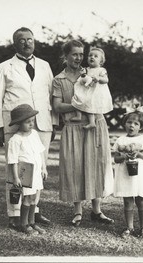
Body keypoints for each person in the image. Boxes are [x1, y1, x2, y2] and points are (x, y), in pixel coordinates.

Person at [0, 27, 58, 229]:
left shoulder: (45, 66)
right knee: (16, 171)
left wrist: (53, 123)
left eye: (30, 39)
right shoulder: (5, 67)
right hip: (15, 125)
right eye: (22, 40)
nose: (27, 43)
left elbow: (50, 95)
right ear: (15, 43)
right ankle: (14, 214)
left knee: (37, 170)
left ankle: (33, 211)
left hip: (41, 124)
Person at [52, 40, 114, 227]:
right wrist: (79, 105)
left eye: (81, 54)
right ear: (66, 56)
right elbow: (57, 106)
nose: (79, 58)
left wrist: (90, 106)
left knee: (97, 165)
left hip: (95, 125)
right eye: (74, 54)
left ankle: (97, 210)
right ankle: (77, 211)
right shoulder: (59, 79)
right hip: (73, 127)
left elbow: (103, 93)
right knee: (75, 167)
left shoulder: (91, 72)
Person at [112, 105, 143, 238]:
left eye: (136, 123)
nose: (132, 126)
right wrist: (124, 156)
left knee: (141, 200)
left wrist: (139, 155)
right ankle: (129, 227)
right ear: (124, 123)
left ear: (140, 127)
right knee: (128, 200)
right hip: (126, 175)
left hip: (140, 175)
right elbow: (116, 158)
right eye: (129, 122)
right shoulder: (121, 140)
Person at [7, 104, 47, 235]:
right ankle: (24, 224)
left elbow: (41, 151)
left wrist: (44, 168)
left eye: (32, 121)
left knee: (34, 197)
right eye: (27, 122)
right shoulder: (16, 139)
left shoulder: (34, 134)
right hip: (26, 172)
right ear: (19, 123)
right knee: (27, 198)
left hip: (36, 172)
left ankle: (32, 222)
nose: (31, 124)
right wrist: (16, 178)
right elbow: (12, 160)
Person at [71, 47, 113, 129]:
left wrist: (99, 78)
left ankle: (92, 122)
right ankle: (78, 115)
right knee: (77, 97)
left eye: (95, 56)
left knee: (90, 104)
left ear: (101, 61)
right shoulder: (86, 69)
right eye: (90, 55)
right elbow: (84, 78)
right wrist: (83, 74)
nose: (92, 57)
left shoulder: (101, 70)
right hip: (86, 89)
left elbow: (106, 80)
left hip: (95, 92)